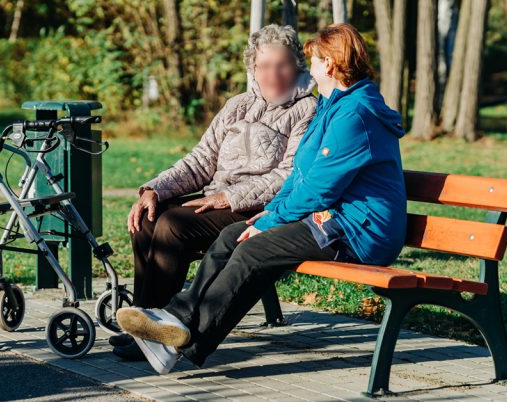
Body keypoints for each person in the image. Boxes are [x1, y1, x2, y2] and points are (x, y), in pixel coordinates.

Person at [115, 23, 407, 374]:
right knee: (231, 236)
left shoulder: (354, 114)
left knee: (254, 249)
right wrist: (269, 213)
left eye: (312, 59)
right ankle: (174, 321)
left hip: (357, 230)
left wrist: (268, 219)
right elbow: (301, 177)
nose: (309, 67)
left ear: (329, 64)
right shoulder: (334, 106)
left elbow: (319, 190)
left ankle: (188, 343)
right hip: (334, 219)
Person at [111, 24, 317, 360]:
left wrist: (228, 197)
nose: (273, 74)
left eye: (282, 65)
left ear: (297, 65)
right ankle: (145, 323)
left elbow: (288, 175)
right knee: (149, 217)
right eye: (263, 66)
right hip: (215, 198)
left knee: (173, 226)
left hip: (256, 207)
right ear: (252, 69)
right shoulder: (237, 105)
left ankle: (155, 330)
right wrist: (155, 189)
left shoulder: (306, 110)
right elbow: (200, 159)